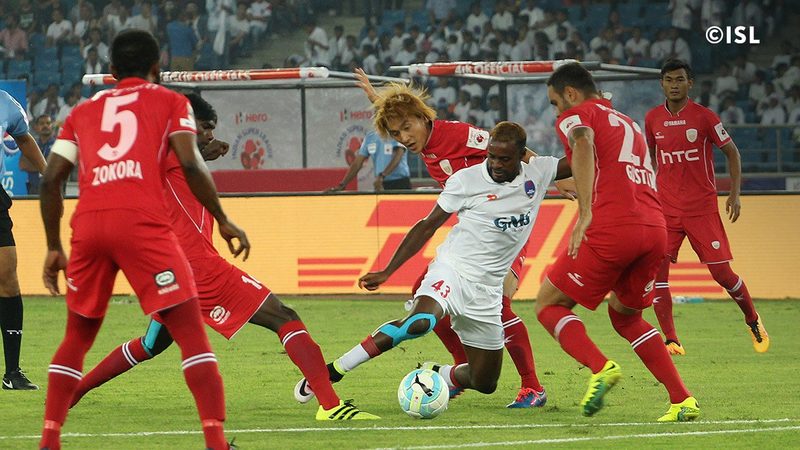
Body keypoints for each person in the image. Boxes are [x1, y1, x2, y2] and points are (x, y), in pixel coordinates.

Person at [71, 93, 378, 421]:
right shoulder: (169, 150)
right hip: (197, 268)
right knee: (283, 316)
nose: (209, 134)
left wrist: (203, 151)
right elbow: (180, 155)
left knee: (151, 344)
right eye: (204, 127)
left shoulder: (162, 155)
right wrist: (219, 205)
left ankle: (74, 391)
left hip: (168, 269)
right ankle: (331, 405)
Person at [298, 72, 576, 408]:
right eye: (396, 133)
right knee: (422, 297)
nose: (404, 138)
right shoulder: (426, 142)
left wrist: (550, 176)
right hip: (472, 235)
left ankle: (531, 386)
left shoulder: (455, 135)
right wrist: (379, 101)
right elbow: (427, 217)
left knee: (500, 307)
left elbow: (507, 146)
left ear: (423, 117)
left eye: (407, 128)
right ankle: (461, 370)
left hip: (506, 232)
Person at [38, 30, 247, 450]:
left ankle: (49, 439)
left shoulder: (81, 111)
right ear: (156, 68)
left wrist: (54, 246)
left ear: (112, 70)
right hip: (141, 223)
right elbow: (191, 164)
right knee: (191, 333)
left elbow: (50, 179)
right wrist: (223, 219)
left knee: (77, 336)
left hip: (89, 224)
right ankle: (215, 440)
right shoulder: (170, 102)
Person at [535, 62, 699, 422]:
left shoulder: (577, 116)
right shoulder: (627, 122)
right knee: (626, 317)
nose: (557, 112)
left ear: (571, 94)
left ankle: (600, 368)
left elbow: (582, 141)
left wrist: (585, 210)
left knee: (548, 305)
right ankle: (682, 399)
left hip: (612, 225)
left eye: (555, 103)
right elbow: (601, 161)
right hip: (654, 227)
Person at [645, 59, 769, 356]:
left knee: (722, 274)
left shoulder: (704, 117)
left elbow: (733, 153)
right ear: (661, 84)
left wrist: (735, 195)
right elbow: (650, 158)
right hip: (666, 210)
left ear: (690, 83)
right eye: (669, 80)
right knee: (657, 273)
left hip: (701, 209)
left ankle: (752, 319)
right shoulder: (652, 118)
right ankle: (672, 339)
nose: (674, 85)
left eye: (679, 79)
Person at [0, 89, 47, 391]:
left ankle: (12, 373)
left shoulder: (5, 102)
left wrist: (48, 174)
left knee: (8, 278)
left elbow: (24, 138)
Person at [327, 131, 410, 192]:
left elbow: (397, 157)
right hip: (381, 184)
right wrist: (342, 184)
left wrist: (382, 175)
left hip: (400, 182)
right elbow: (357, 163)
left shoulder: (397, 133)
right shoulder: (370, 137)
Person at [19, 114, 55, 195]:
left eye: (48, 123)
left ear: (52, 125)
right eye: (42, 123)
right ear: (36, 127)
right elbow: (23, 164)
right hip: (33, 187)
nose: (45, 126)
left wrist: (34, 162)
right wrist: (46, 165)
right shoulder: (30, 144)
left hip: (53, 187)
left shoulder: (58, 144)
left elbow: (56, 166)